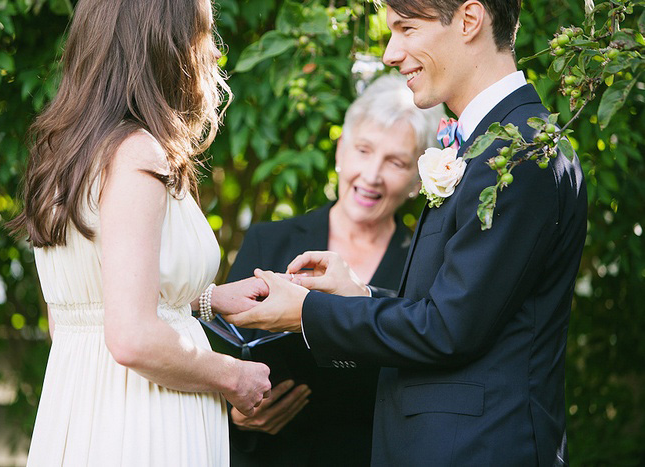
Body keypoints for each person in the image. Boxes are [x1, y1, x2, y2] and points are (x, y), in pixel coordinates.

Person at [223, 0, 588, 465]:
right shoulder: (489, 146)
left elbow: (448, 330)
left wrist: (308, 312)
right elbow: (456, 305)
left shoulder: (521, 156)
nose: (393, 53)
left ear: (470, 21)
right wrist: (359, 297)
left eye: (407, 28)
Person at [8, 0, 271, 465]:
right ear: (162, 46)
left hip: (86, 412)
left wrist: (207, 299)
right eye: (203, 35)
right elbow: (131, 336)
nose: (213, 54)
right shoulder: (135, 155)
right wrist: (234, 376)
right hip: (145, 423)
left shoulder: (68, 152)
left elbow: (89, 309)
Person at [223, 74, 445, 466]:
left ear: (416, 180)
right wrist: (236, 419)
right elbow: (222, 351)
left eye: (395, 161)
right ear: (341, 150)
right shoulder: (267, 242)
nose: (372, 175)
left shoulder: (426, 265)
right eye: (364, 150)